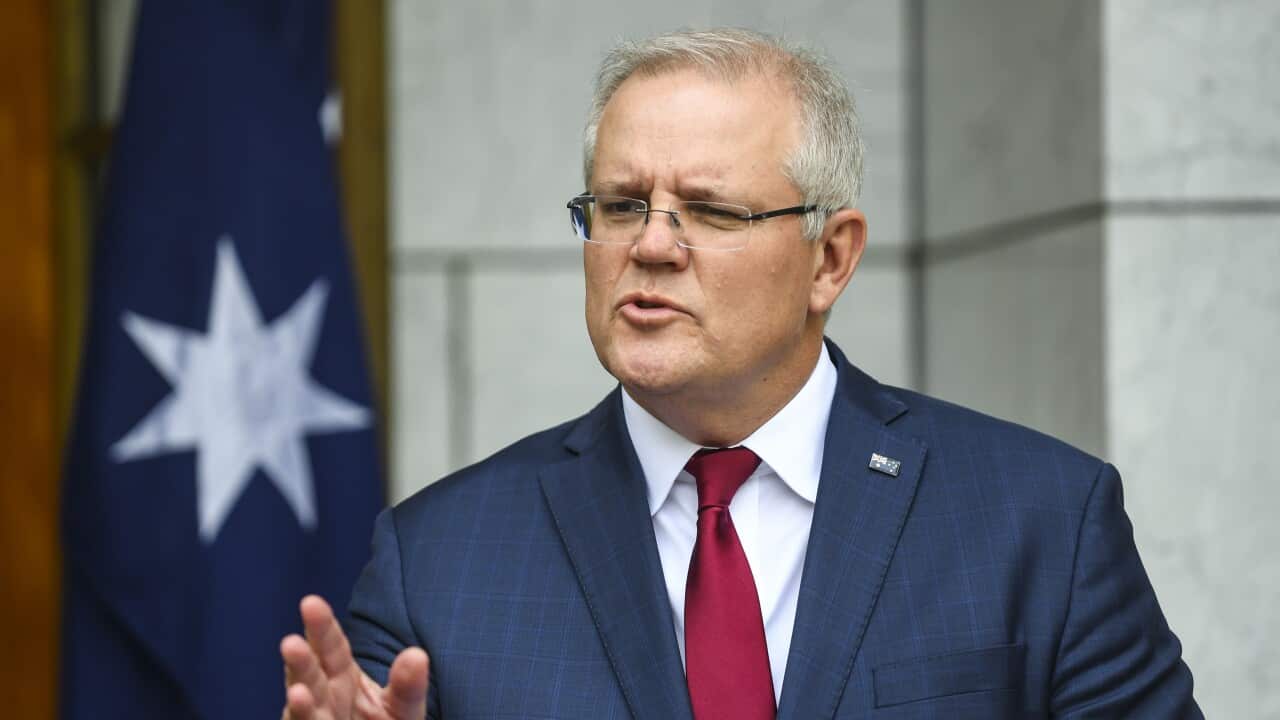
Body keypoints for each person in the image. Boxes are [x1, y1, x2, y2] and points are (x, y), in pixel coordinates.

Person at [280, 28, 1201, 719]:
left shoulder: (1038, 522)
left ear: (829, 259)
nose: (649, 245)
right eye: (621, 203)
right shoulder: (439, 560)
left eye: (710, 212)